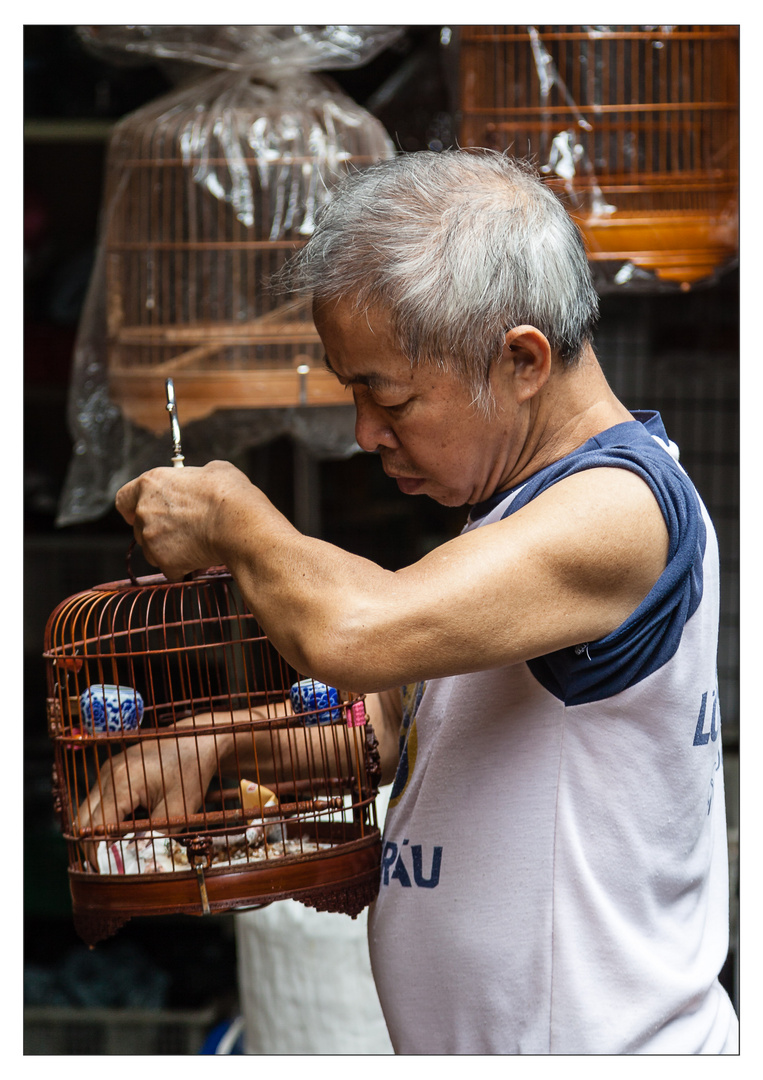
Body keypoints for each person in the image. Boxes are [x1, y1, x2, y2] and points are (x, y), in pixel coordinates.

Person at [81, 150, 738, 1054]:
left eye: (384, 394)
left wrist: (233, 515)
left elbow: (352, 634)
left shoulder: (619, 510)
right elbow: (400, 727)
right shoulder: (516, 513)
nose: (364, 433)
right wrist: (221, 745)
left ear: (521, 360)